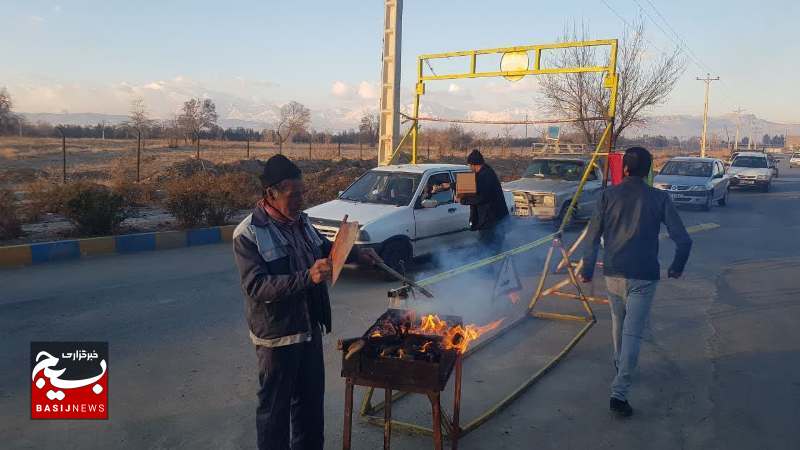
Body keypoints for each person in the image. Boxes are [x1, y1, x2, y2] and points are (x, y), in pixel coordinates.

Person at [232, 154, 380, 450]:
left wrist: (357, 254)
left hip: (309, 328)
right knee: (275, 410)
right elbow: (256, 286)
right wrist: (306, 277)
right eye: (293, 194)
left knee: (310, 405)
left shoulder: (302, 222)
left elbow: (326, 249)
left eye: (303, 193)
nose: (301, 200)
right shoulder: (248, 234)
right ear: (270, 194)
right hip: (278, 337)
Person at [579, 146, 692, 418]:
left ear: (625, 169)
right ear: (649, 170)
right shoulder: (660, 198)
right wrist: (676, 267)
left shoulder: (607, 196)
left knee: (619, 324)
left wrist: (587, 269)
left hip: (614, 273)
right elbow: (684, 239)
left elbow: (593, 235)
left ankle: (621, 367)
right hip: (644, 275)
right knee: (632, 333)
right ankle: (619, 393)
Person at [457, 149, 510, 256]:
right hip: (490, 220)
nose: (469, 168)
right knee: (488, 250)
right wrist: (450, 185)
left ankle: (490, 271)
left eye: (469, 165)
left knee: (487, 250)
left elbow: (482, 197)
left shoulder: (486, 176)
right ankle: (491, 269)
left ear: (473, 164)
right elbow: (469, 184)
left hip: (492, 221)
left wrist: (462, 200)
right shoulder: (483, 172)